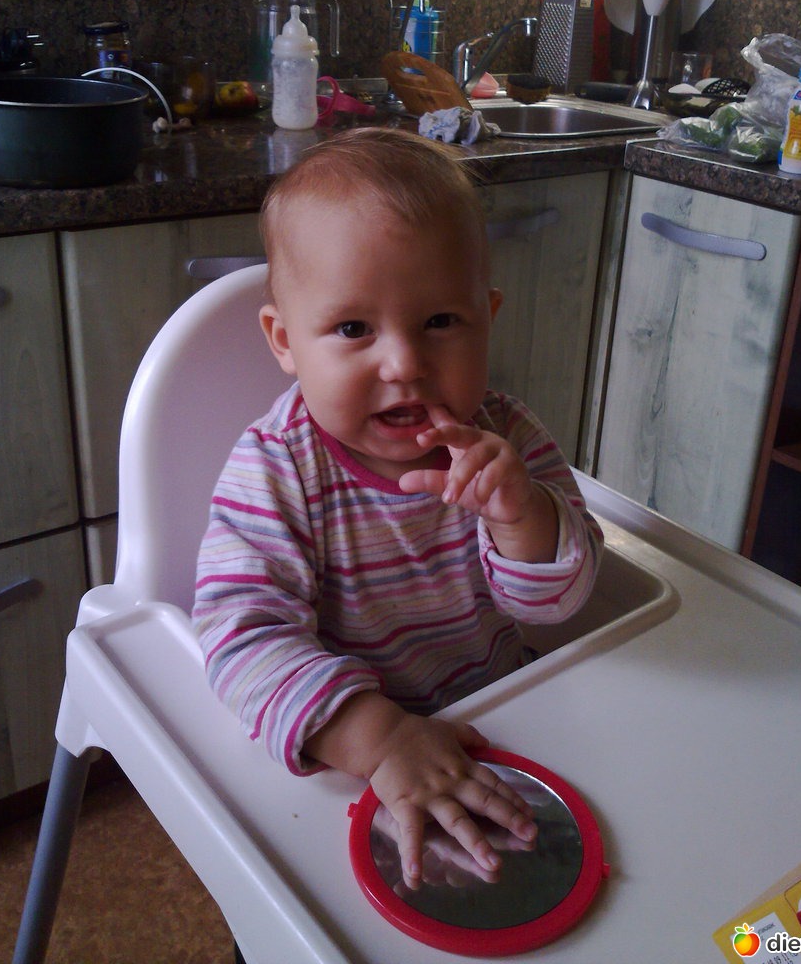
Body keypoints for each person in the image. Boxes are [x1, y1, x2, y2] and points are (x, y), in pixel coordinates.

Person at [193, 126, 603, 887]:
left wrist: (521, 518)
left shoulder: (506, 439)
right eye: (353, 328)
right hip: (349, 757)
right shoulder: (278, 468)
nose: (405, 364)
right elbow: (240, 639)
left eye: (440, 321)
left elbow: (560, 606)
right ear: (285, 341)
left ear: (487, 315)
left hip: (499, 721)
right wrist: (378, 738)